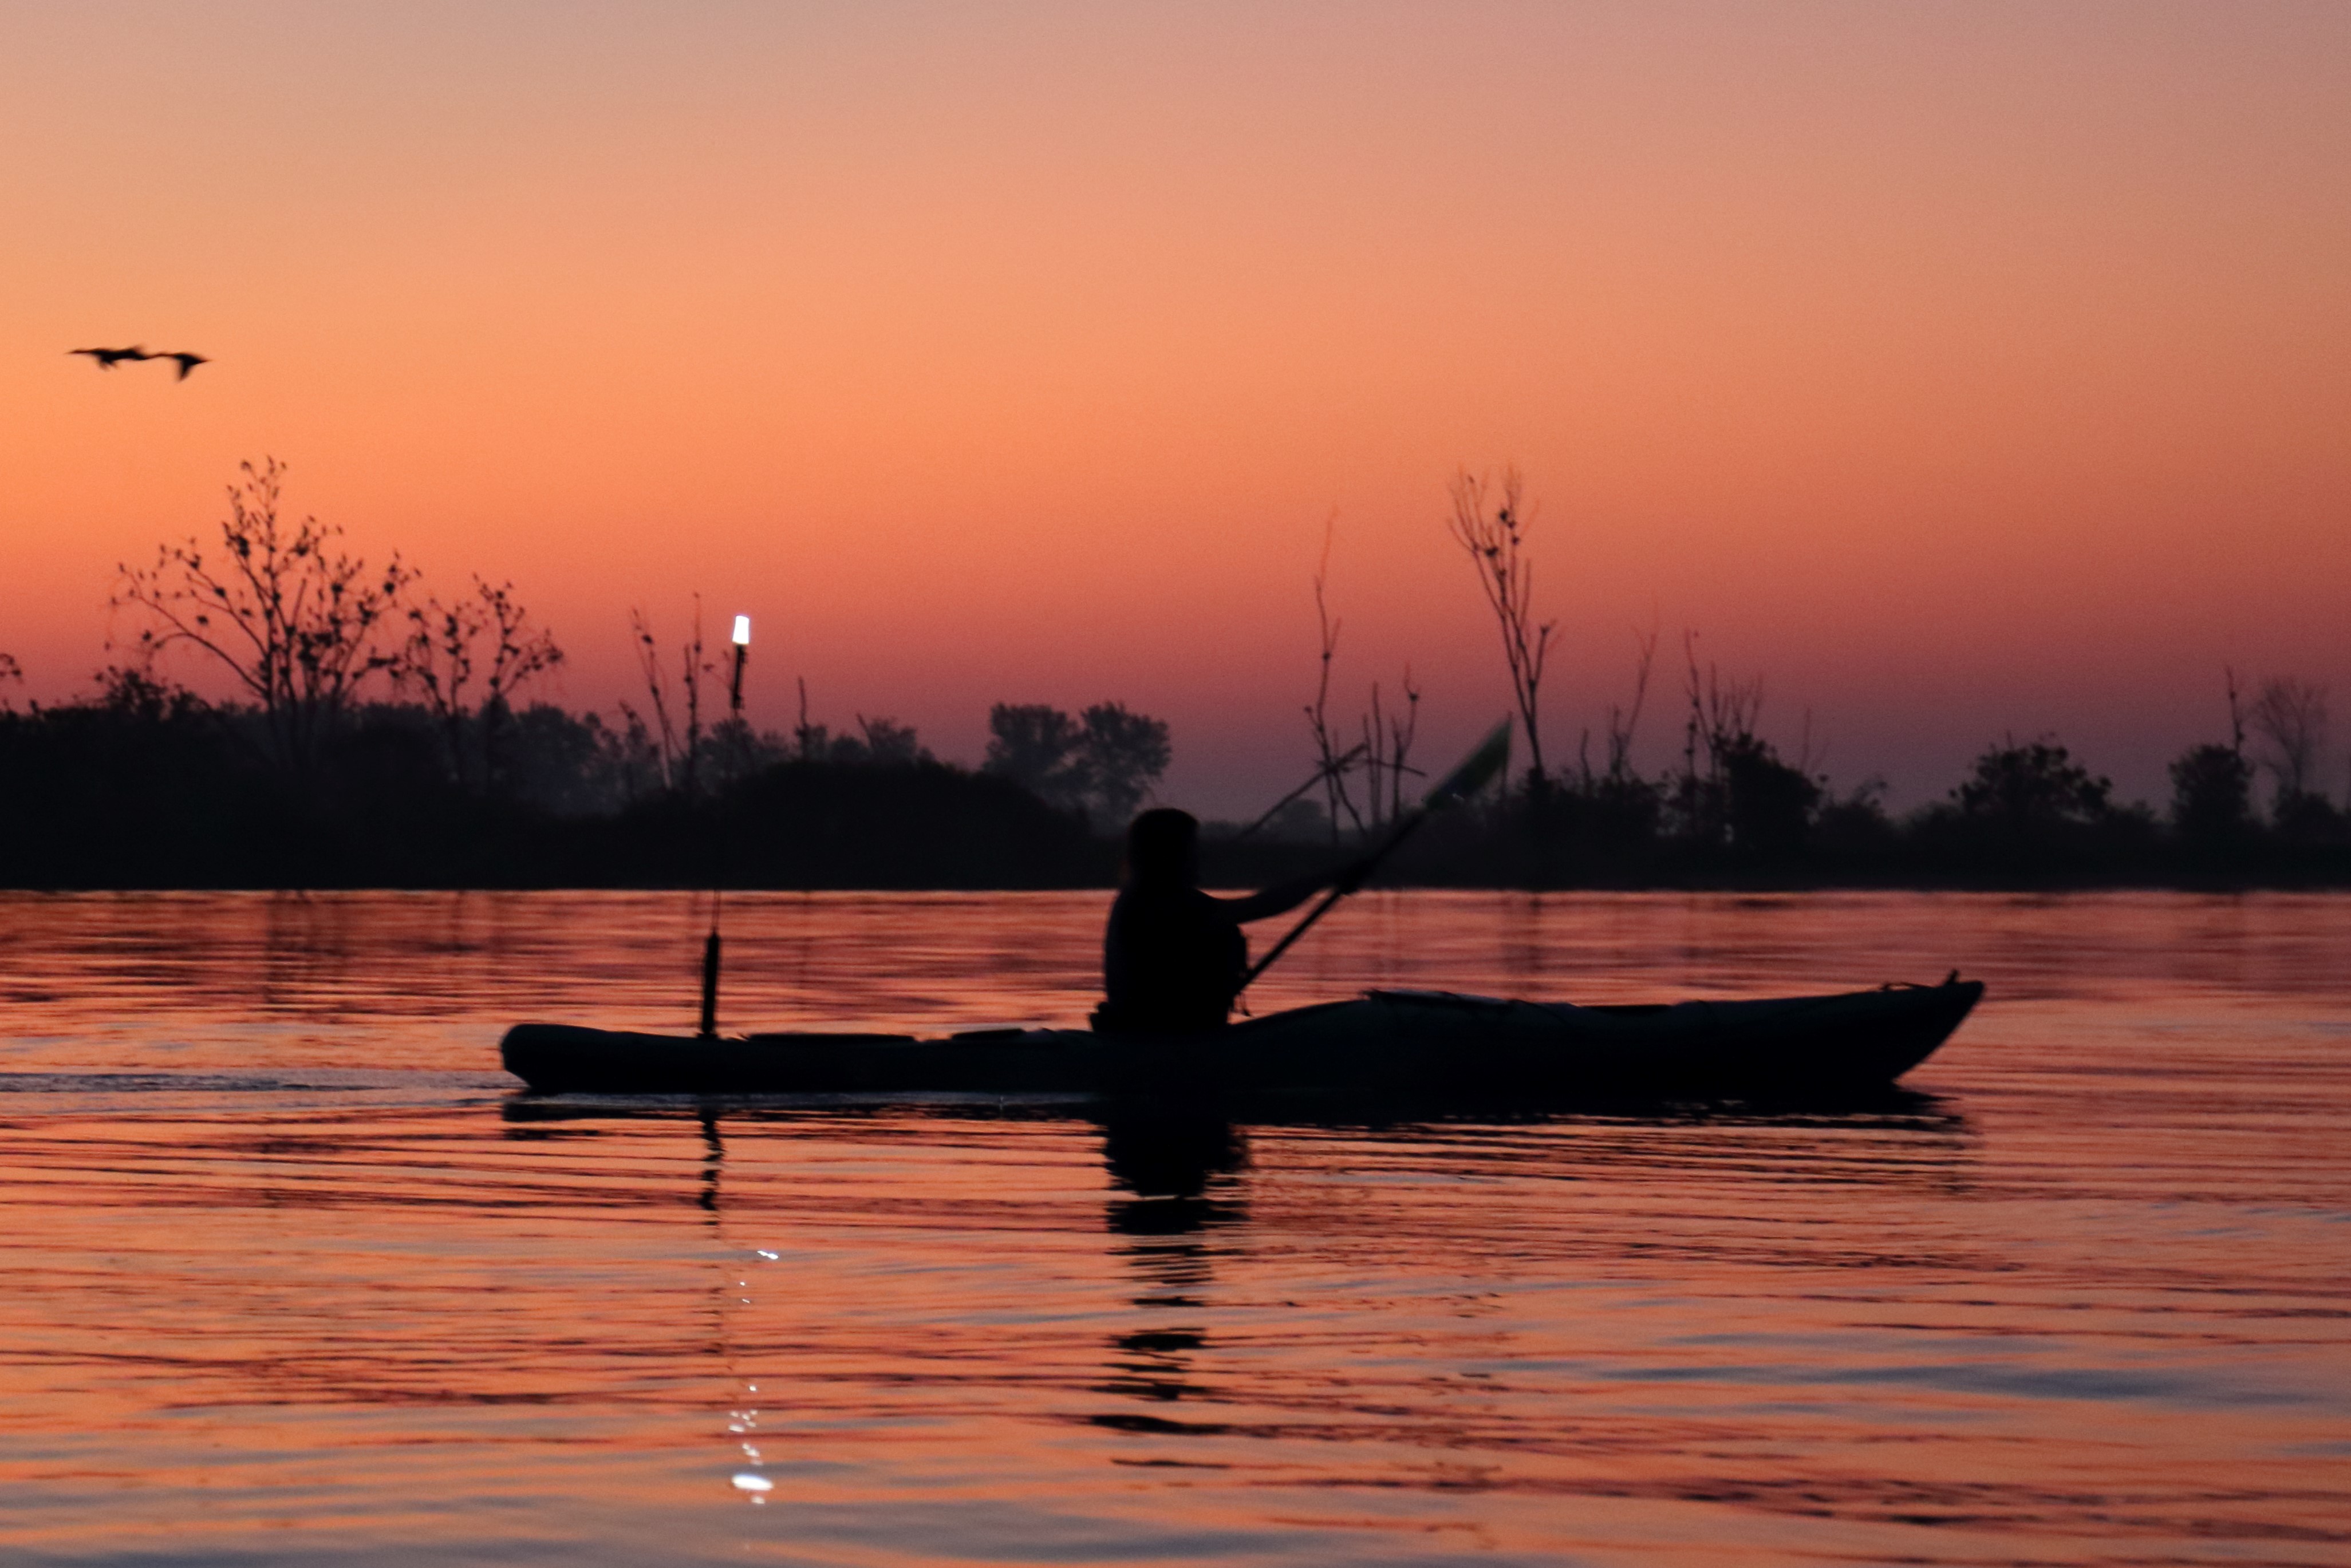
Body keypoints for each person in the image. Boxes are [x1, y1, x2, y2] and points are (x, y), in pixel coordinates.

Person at [1095, 808, 1367, 1036]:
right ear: (1171, 854)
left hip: (1149, 1029)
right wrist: (1328, 878)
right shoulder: (1160, 902)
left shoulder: (1139, 897)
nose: (1198, 857)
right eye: (1192, 849)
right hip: (1164, 1035)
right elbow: (1261, 906)